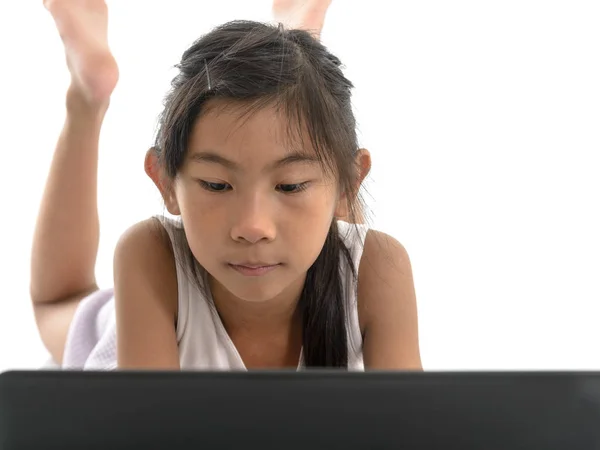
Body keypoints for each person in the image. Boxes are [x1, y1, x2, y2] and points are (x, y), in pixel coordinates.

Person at [31, 0, 422, 371]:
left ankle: (295, 50)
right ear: (165, 182)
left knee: (310, 163)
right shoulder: (149, 255)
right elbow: (151, 432)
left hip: (322, 226)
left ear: (350, 185)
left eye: (290, 186)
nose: (252, 227)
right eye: (217, 186)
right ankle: (87, 97)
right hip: (143, 320)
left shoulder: (380, 267)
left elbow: (411, 430)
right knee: (59, 303)